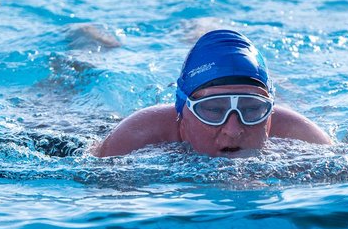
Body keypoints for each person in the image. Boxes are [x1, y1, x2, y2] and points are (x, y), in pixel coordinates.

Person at [92, 29, 332, 157]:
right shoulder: (136, 137)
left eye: (252, 109)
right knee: (90, 60)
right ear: (182, 111)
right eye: (214, 110)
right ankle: (88, 38)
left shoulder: (303, 138)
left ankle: (201, 28)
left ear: (270, 114)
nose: (234, 129)